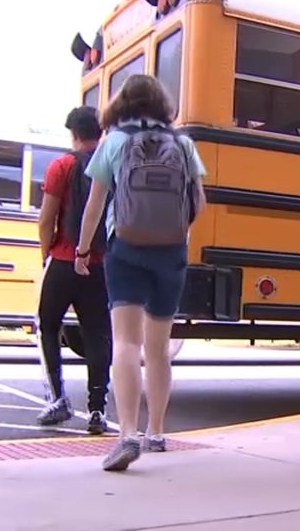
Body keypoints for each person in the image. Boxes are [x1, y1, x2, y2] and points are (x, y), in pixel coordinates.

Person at [74, 74, 206, 471]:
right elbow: (198, 201)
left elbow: (94, 206)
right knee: (158, 347)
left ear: (122, 105)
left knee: (126, 343)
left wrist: (82, 251)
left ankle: (127, 432)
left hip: (126, 248)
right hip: (171, 251)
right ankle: (158, 431)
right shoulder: (183, 144)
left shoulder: (113, 142)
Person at [33, 106, 114, 436]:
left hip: (64, 260)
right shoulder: (111, 165)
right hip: (99, 265)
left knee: (47, 326)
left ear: (74, 134)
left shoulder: (61, 166)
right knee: (98, 334)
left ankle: (57, 398)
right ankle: (97, 410)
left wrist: (46, 254)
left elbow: (45, 219)